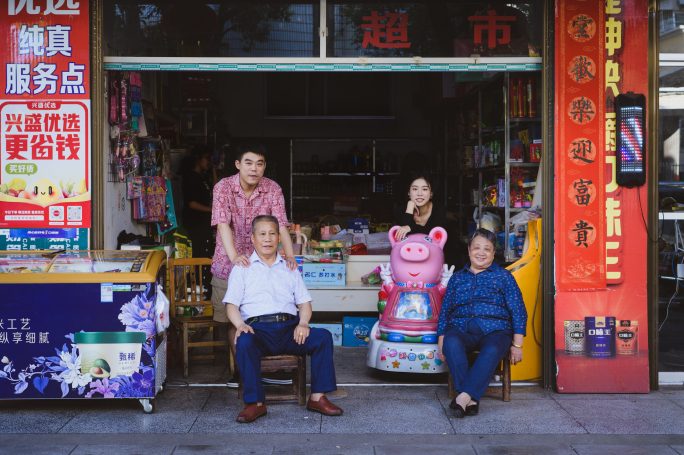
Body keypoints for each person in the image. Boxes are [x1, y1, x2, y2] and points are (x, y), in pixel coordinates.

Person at [225, 215, 343, 423]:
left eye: (272, 234)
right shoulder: (242, 268)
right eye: (262, 234)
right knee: (244, 341)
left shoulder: (289, 267)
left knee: (323, 337)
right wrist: (240, 324)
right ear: (253, 238)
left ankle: (317, 397)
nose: (267, 238)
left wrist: (303, 323)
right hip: (258, 330)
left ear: (279, 238)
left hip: (290, 330)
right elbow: (231, 305)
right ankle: (255, 403)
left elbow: (304, 303)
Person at [437, 228, 527, 418]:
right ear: (469, 250)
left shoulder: (504, 277)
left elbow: (518, 310)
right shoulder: (457, 278)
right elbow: (445, 311)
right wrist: (441, 341)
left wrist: (518, 344)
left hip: (496, 330)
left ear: (494, 253)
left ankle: (462, 397)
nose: (481, 252)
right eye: (477, 247)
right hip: (461, 328)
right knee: (451, 343)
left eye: (487, 249)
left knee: (493, 349)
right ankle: (470, 399)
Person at [210, 143, 297, 337]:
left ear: (264, 166)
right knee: (227, 321)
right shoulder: (223, 187)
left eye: (259, 164)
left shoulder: (272, 189)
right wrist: (234, 257)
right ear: (238, 164)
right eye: (248, 163)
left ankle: (251, 355)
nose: (254, 169)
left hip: (262, 268)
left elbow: (281, 225)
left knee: (257, 319)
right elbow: (222, 224)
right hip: (227, 264)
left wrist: (290, 256)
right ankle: (232, 358)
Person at [181, 146, 214, 259]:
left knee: (206, 253)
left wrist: (213, 170)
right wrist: (211, 210)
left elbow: (215, 190)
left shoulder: (202, 177)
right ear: (198, 159)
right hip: (194, 223)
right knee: (199, 254)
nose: (209, 161)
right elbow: (192, 204)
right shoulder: (191, 177)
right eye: (207, 158)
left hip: (203, 223)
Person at [394, 174, 448, 242]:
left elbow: (434, 236)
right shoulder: (400, 211)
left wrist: (411, 228)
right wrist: (409, 208)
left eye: (424, 189)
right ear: (409, 193)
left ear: (431, 194)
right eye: (415, 189)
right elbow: (403, 237)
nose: (419, 194)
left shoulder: (439, 210)